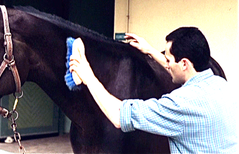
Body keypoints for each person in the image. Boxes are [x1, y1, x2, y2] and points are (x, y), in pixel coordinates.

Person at [69, 27, 238, 153]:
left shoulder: (180, 104)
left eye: (168, 59)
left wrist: (87, 75)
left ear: (184, 63)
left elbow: (119, 115)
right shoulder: (222, 86)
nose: (167, 64)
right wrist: (149, 50)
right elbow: (182, 71)